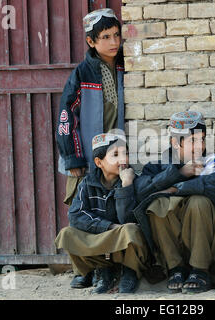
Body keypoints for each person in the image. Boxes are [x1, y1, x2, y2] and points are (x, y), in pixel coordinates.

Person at [133, 111, 215, 294]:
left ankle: (200, 271)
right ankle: (176, 269)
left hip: (211, 245)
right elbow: (141, 192)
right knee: (156, 205)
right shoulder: (157, 166)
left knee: (198, 202)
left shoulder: (213, 162)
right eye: (193, 140)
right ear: (176, 143)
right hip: (175, 245)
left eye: (203, 139)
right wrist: (179, 173)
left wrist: (176, 189)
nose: (200, 146)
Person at [55, 8, 125, 288]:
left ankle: (110, 268)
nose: (113, 42)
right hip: (85, 154)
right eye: (105, 37)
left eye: (117, 35)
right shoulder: (82, 72)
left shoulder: (124, 67)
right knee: (81, 211)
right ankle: (84, 268)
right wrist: (72, 155)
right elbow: (66, 117)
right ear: (91, 42)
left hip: (117, 154)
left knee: (114, 211)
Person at [55, 133, 148, 294]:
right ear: (99, 162)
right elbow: (76, 215)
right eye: (116, 155)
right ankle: (104, 271)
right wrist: (110, 226)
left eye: (125, 153)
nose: (123, 159)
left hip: (124, 245)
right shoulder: (87, 183)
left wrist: (126, 185)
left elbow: (128, 219)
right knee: (67, 233)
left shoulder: (134, 181)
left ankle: (130, 272)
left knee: (130, 230)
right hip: (104, 238)